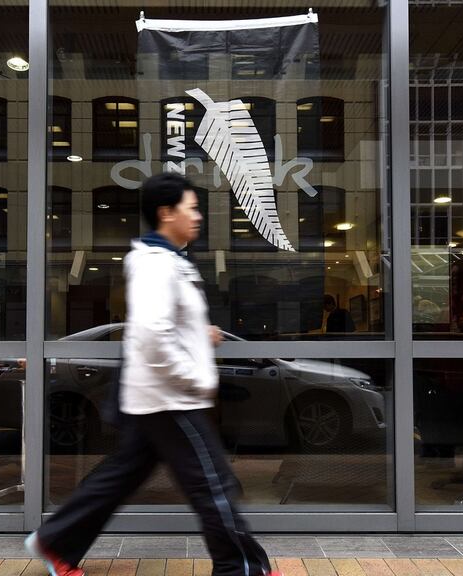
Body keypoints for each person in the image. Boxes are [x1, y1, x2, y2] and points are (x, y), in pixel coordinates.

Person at [25, 173, 282, 576]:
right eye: (191, 207)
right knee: (213, 485)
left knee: (120, 478)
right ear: (166, 212)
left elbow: (167, 325)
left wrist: (201, 334)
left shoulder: (169, 260)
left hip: (155, 396)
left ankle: (56, 541)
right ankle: (242, 568)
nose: (197, 216)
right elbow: (150, 334)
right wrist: (192, 379)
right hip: (170, 397)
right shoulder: (155, 264)